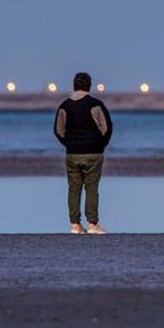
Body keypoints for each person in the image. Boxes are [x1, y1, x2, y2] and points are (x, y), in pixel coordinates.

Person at [54, 71, 112, 234]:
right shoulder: (96, 105)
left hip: (72, 154)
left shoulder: (64, 106)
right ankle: (92, 224)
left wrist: (70, 144)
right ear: (89, 86)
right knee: (91, 188)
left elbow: (58, 130)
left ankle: (75, 225)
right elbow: (106, 129)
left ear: (74, 85)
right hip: (93, 153)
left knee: (74, 188)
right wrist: (100, 146)